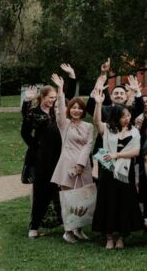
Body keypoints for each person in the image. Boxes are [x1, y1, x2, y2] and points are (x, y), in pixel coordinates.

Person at [90, 87, 144, 249]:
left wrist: (117, 155)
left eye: (128, 116)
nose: (127, 119)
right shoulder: (108, 129)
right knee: (108, 202)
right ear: (116, 117)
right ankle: (108, 237)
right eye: (123, 116)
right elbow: (96, 122)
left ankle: (121, 236)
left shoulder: (134, 132)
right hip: (108, 171)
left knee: (124, 203)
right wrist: (98, 104)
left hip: (125, 172)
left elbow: (136, 151)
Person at [49, 75, 94, 244]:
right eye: (73, 108)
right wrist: (60, 89)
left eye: (79, 108)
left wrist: (81, 164)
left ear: (83, 111)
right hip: (67, 166)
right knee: (69, 200)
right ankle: (68, 231)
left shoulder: (88, 126)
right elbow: (60, 108)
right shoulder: (64, 124)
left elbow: (88, 144)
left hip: (83, 166)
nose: (76, 110)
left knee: (83, 198)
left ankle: (79, 229)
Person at [21, 80, 64, 239]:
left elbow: (68, 100)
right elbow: (25, 132)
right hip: (42, 157)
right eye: (50, 97)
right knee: (40, 190)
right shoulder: (34, 112)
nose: (52, 100)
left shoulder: (56, 111)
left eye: (54, 97)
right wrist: (36, 146)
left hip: (58, 155)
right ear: (43, 97)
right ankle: (34, 226)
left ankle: (65, 222)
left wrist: (67, 81)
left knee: (57, 189)